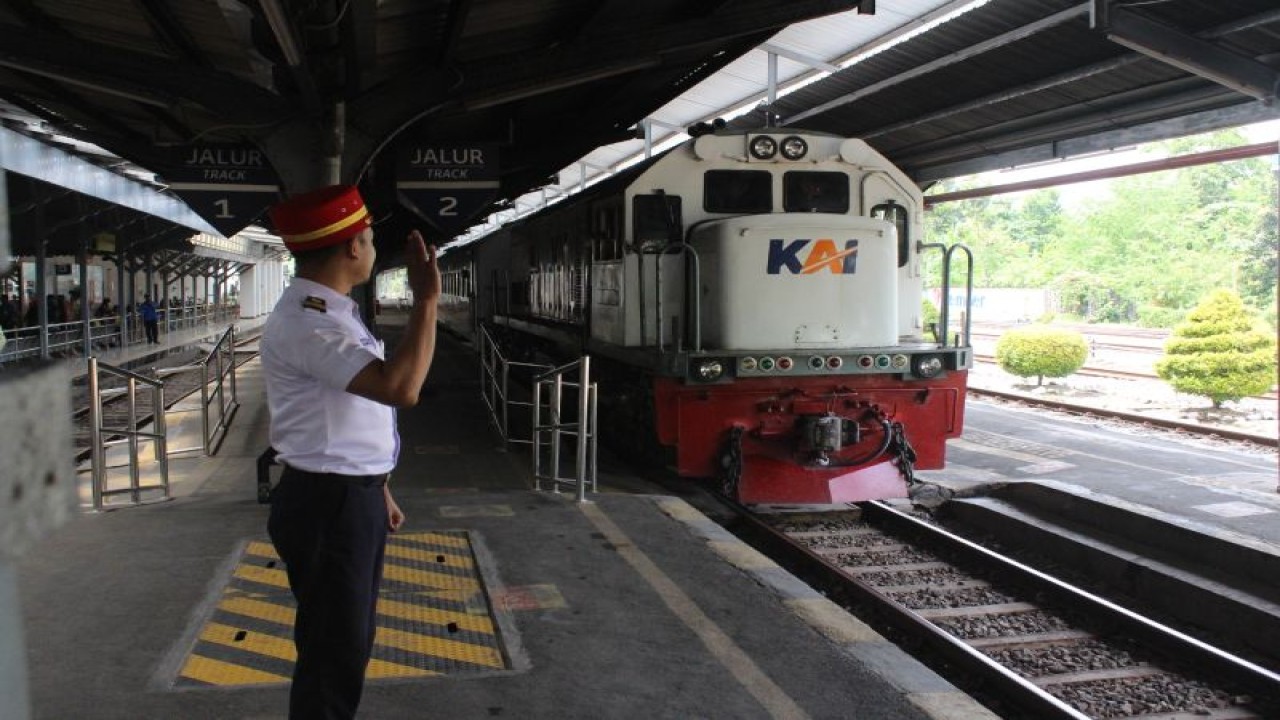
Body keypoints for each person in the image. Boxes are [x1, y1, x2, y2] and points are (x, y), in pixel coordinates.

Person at [261, 184, 440, 720]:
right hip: (328, 505)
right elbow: (401, 388)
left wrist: (377, 485)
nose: (372, 246)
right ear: (350, 250)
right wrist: (426, 299)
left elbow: (343, 414)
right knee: (333, 653)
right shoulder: (313, 322)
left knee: (345, 640)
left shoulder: (329, 311)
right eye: (367, 237)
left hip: (342, 497)